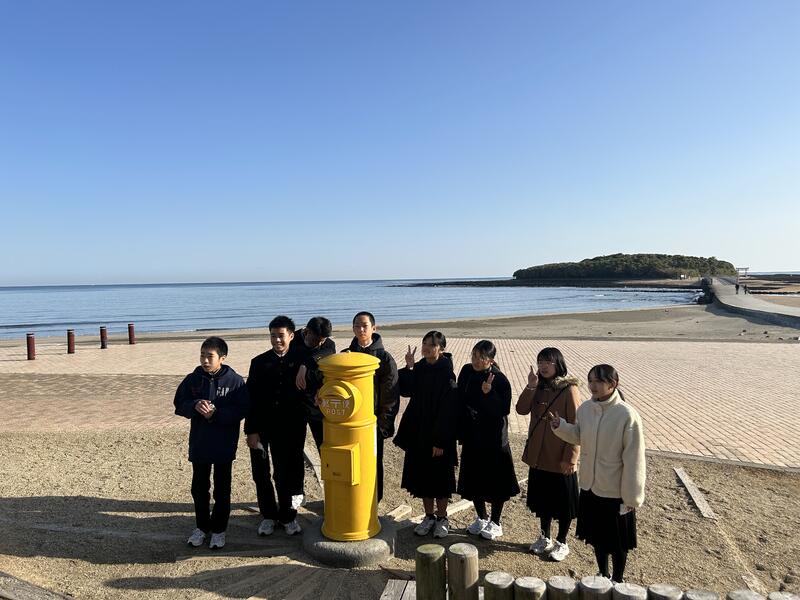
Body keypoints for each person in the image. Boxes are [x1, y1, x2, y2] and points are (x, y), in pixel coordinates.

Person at [549, 364, 646, 583]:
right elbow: (579, 435)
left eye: (599, 381)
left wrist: (632, 497)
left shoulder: (627, 415)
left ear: (613, 384)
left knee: (618, 541)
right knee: (597, 537)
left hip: (615, 490)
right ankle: (603, 574)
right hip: (590, 486)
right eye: (591, 381)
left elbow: (635, 460)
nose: (593, 386)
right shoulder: (585, 409)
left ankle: (618, 580)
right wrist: (561, 426)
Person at [174, 336, 250, 550]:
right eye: (202, 356)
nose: (205, 361)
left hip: (224, 443)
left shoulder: (235, 381)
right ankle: (202, 527)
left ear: (222, 358)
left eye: (210, 356)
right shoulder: (193, 379)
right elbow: (179, 403)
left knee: (222, 489)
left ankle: (219, 530)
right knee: (199, 488)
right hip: (200, 443)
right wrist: (195, 405)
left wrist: (216, 414)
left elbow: (242, 410)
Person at [516, 347, 580, 562]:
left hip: (560, 456)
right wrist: (530, 386)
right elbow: (521, 409)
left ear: (558, 364)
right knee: (542, 500)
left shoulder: (569, 389)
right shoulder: (538, 387)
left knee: (563, 504)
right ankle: (545, 537)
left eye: (548, 362)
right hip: (539, 455)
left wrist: (571, 458)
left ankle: (562, 541)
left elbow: (577, 426)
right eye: (540, 362)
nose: (543, 366)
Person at [245, 315, 306, 537]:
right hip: (261, 426)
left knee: (284, 474)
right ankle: (268, 515)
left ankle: (288, 516)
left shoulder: (302, 359)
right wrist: (251, 431)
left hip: (288, 428)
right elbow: (250, 398)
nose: (277, 340)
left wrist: (305, 367)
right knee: (261, 473)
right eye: (273, 336)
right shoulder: (258, 362)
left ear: (291, 336)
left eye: (281, 335)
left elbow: (325, 352)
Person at [393, 331, 458, 539]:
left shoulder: (447, 373)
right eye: (425, 343)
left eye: (432, 344)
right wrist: (409, 367)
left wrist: (440, 441)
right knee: (422, 477)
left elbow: (448, 410)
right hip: (419, 432)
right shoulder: (420, 367)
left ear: (442, 348)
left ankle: (442, 518)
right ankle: (429, 516)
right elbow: (406, 391)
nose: (426, 348)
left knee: (440, 479)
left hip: (439, 435)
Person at [457, 340, 520, 541]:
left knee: (496, 482)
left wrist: (489, 393)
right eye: (474, 356)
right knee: (473, 478)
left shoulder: (500, 380)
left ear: (491, 360)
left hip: (494, 438)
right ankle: (481, 517)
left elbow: (503, 409)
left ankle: (496, 522)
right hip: (472, 434)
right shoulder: (467, 371)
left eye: (481, 358)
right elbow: (460, 397)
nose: (476, 361)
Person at [347, 311, 399, 502]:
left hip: (374, 422)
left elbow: (391, 394)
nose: (361, 329)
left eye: (365, 326)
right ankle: (353, 500)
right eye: (357, 326)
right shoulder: (347, 355)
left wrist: (384, 424)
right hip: (351, 422)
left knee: (374, 462)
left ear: (374, 328)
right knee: (353, 462)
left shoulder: (384, 358)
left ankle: (374, 501)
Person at [290, 316, 336, 451]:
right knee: (294, 446)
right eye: (316, 340)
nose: (319, 344)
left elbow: (328, 351)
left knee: (324, 444)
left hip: (316, 400)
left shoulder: (328, 344)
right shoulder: (293, 340)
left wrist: (305, 365)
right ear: (307, 331)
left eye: (322, 340)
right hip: (295, 401)